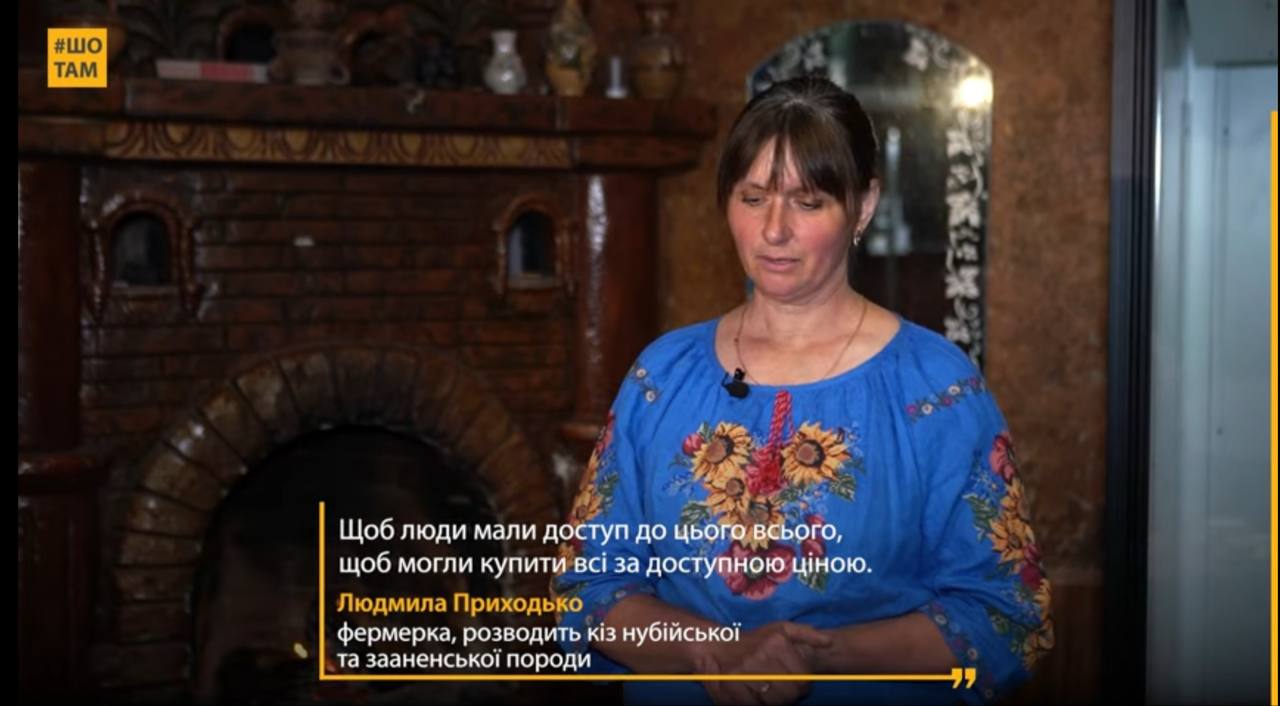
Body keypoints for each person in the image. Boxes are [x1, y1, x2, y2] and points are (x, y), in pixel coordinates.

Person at [551, 76, 1053, 705]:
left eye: (808, 202)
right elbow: (588, 587)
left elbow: (1006, 616)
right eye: (753, 197)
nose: (774, 230)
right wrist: (718, 651)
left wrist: (819, 655)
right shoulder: (662, 376)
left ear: (863, 207)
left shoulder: (936, 389)